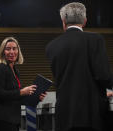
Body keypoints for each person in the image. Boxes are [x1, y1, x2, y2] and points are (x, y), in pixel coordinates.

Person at [45, 2, 113, 131]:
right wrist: (107, 89)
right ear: (85, 21)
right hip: (91, 115)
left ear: (63, 21)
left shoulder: (51, 46)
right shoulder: (96, 40)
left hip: (63, 116)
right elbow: (103, 75)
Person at [0, 37, 47, 131]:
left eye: (14, 48)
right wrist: (21, 92)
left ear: (18, 51)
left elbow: (16, 98)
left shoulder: (15, 71)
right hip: (2, 121)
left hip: (13, 120)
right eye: (8, 49)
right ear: (3, 52)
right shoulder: (0, 69)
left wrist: (36, 98)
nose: (12, 52)